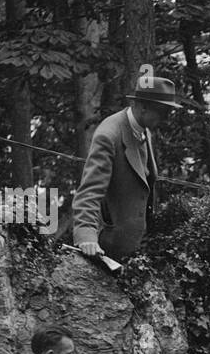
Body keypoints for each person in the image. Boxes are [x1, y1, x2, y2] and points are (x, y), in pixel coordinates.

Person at [73, 74, 183, 261]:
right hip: (107, 249)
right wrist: (86, 237)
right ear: (142, 107)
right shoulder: (109, 135)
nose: (166, 119)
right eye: (162, 112)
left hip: (136, 250)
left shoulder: (144, 129)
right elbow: (90, 191)